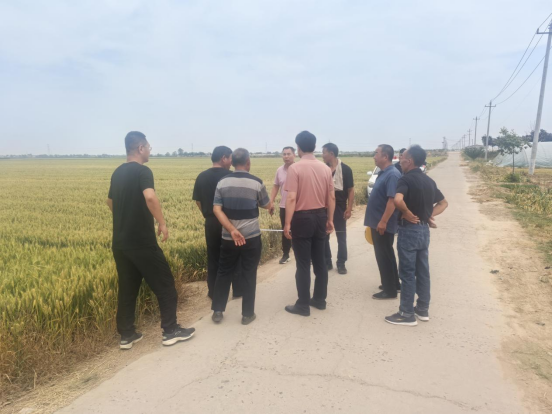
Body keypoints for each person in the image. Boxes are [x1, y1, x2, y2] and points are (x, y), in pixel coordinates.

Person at [107, 131, 195, 349]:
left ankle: (127, 335)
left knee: (127, 288)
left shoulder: (117, 172)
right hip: (142, 242)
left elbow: (110, 202)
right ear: (140, 148)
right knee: (165, 284)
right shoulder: (143, 171)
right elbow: (149, 196)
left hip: (120, 243)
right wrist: (161, 223)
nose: (149, 151)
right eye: (148, 147)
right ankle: (171, 331)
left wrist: (125, 217)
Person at [385, 145, 448, 326]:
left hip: (409, 230)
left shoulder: (405, 179)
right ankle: (422, 309)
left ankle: (406, 313)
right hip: (423, 231)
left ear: (409, 161)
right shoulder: (429, 181)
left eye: (402, 157)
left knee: (407, 272)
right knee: (423, 271)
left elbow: (397, 200)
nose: (400, 160)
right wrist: (428, 216)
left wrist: (406, 212)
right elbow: (444, 203)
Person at [211, 148, 272, 325]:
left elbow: (216, 209)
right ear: (248, 162)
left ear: (232, 162)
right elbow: (265, 204)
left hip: (229, 238)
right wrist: (270, 207)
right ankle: (247, 314)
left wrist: (232, 230)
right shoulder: (257, 182)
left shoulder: (222, 182)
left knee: (224, 271)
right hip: (251, 237)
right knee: (249, 272)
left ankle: (217, 311)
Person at [283, 131, 335, 317]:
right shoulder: (325, 169)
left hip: (302, 219)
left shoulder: (295, 168)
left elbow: (291, 198)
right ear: (314, 146)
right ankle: (320, 300)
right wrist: (330, 219)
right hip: (320, 216)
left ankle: (303, 305)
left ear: (298, 147)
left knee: (303, 264)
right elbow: (331, 197)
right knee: (320, 262)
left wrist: (287, 223)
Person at [193, 146, 242, 299]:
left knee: (213, 257)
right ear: (223, 158)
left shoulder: (201, 176)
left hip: (211, 222)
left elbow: (198, 201)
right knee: (234, 255)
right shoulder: (231, 176)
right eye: (230, 158)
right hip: (230, 223)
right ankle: (238, 290)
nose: (231, 162)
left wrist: (208, 215)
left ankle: (214, 292)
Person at [365, 145, 401, 300]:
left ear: (385, 157)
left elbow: (392, 201)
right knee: (387, 253)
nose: (374, 156)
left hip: (382, 224)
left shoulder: (392, 174)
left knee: (383, 255)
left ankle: (389, 290)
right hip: (378, 222)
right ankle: (393, 284)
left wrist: (383, 221)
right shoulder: (384, 173)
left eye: (376, 153)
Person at [321, 143, 354, 274]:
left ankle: (341, 263)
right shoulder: (322, 169)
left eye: (324, 152)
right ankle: (327, 261)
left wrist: (349, 208)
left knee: (341, 235)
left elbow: (350, 190)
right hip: (324, 206)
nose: (322, 155)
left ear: (331, 154)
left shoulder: (346, 169)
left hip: (340, 206)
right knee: (324, 236)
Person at [269, 146, 296, 264]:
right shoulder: (279, 170)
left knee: (300, 230)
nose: (286, 156)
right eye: (284, 154)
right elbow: (276, 186)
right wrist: (271, 202)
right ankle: (286, 254)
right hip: (284, 206)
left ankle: (305, 254)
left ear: (294, 155)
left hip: (299, 206)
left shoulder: (299, 168)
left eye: (288, 154)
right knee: (285, 230)